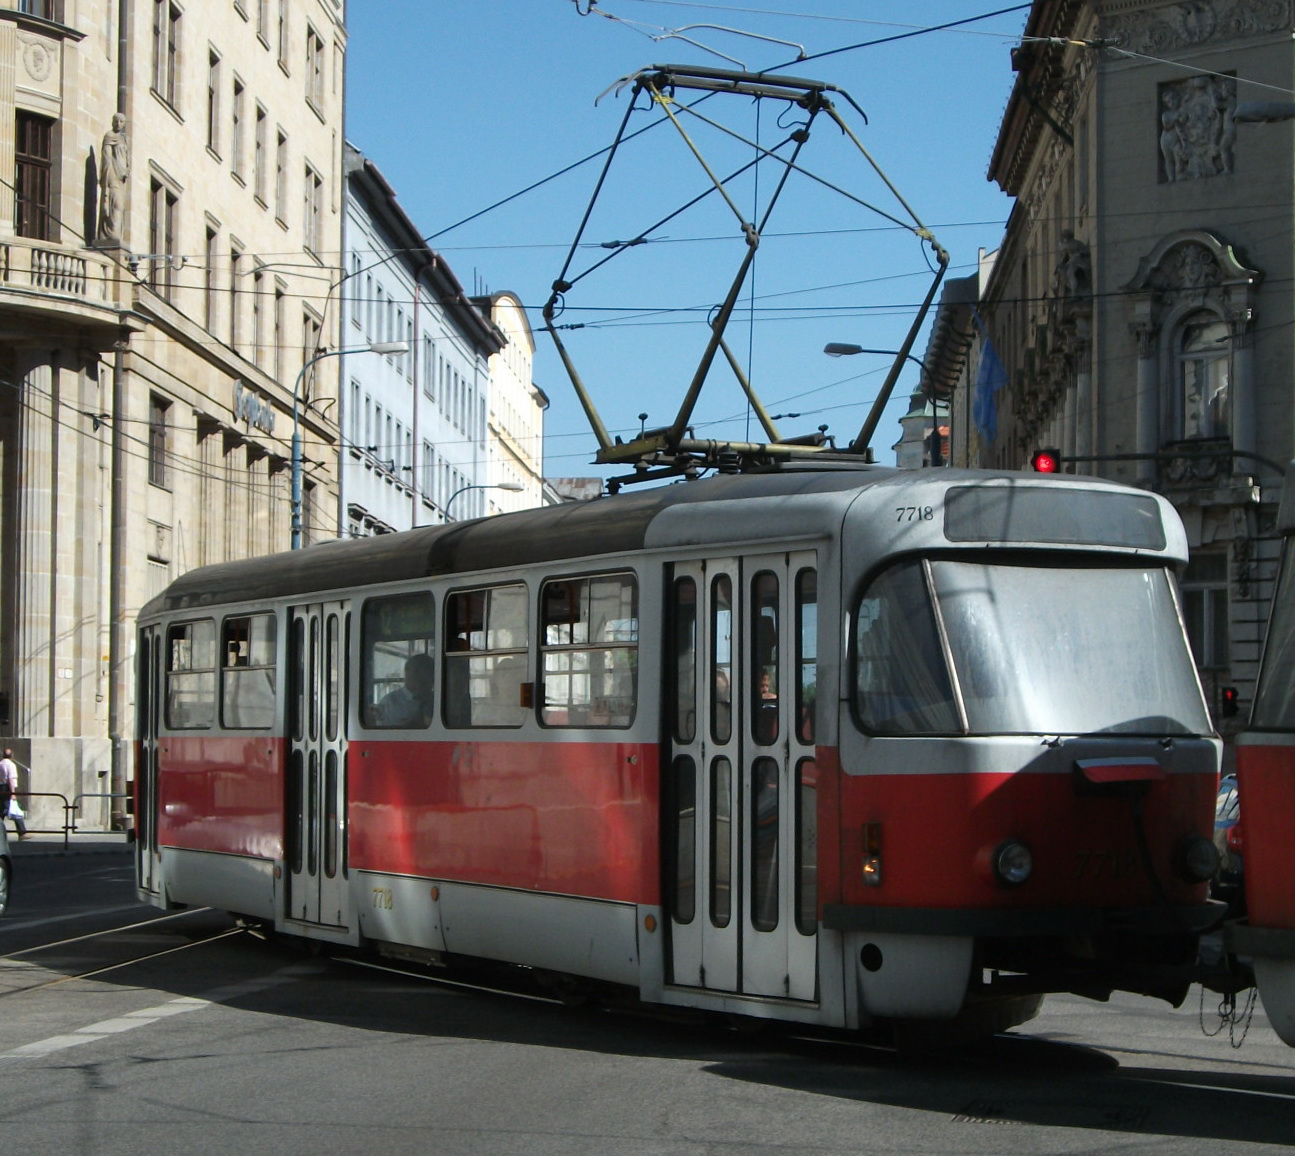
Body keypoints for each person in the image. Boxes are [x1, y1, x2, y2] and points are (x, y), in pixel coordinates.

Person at [374, 652, 435, 727]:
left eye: (429, 674)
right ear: (407, 673)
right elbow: (381, 733)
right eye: (416, 672)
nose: (422, 677)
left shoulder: (438, 700)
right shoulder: (389, 702)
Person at [97, 112, 130, 244]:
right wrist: (107, 178)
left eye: (121, 121)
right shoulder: (109, 136)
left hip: (121, 178)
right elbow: (107, 158)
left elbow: (126, 158)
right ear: (112, 122)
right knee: (115, 203)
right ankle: (110, 233)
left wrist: (126, 170)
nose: (118, 124)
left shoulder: (124, 138)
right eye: (116, 121)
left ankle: (115, 232)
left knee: (119, 205)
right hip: (112, 174)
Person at [0, 748, 29, 839]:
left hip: (1, 787)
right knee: (13, 810)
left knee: (3, 810)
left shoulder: (0, 764)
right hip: (7, 788)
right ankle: (22, 832)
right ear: (12, 755)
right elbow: (11, 780)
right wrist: (13, 793)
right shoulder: (11, 765)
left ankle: (22, 832)